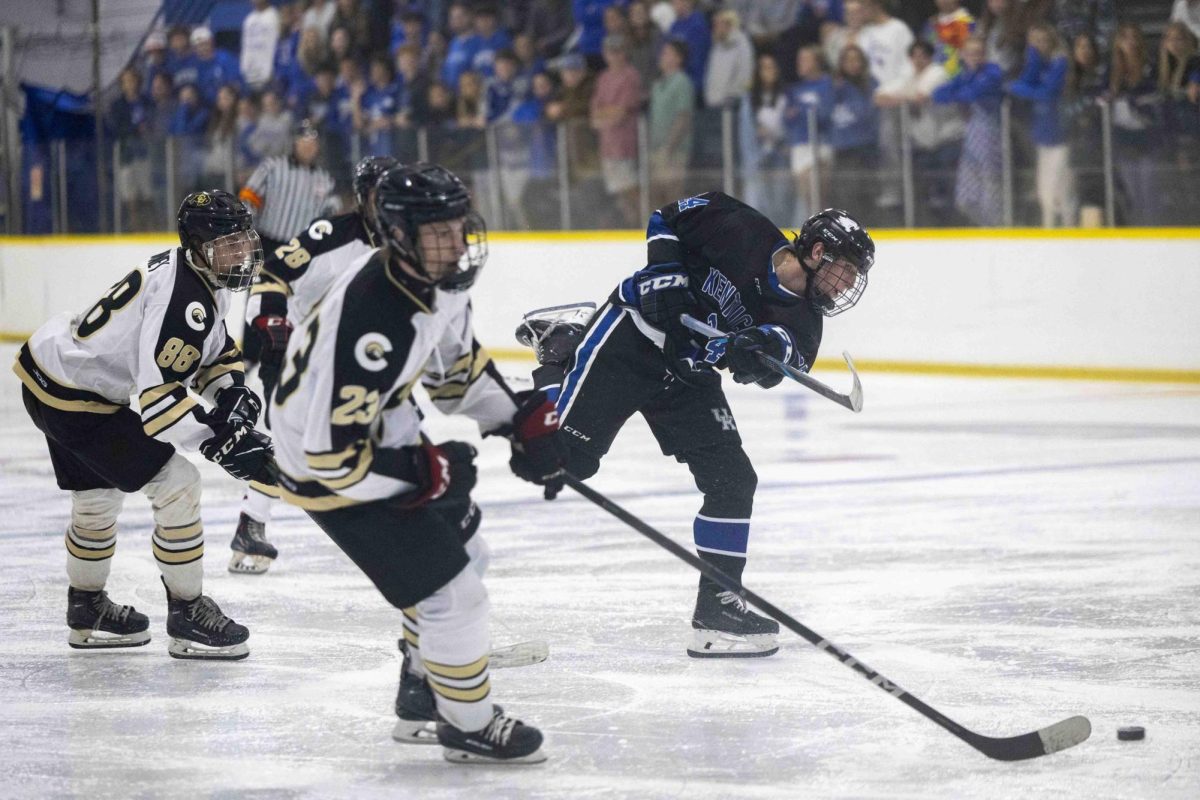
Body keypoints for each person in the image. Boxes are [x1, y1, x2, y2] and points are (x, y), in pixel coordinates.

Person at [266, 163, 560, 762]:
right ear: (398, 234)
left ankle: (425, 688)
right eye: (438, 232)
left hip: (375, 432)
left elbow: (456, 374)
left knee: (470, 554)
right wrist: (425, 471)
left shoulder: (437, 279)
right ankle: (467, 725)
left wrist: (518, 420)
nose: (456, 243)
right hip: (323, 466)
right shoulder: (372, 316)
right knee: (455, 598)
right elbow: (331, 454)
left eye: (459, 226)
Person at [517, 199, 875, 659]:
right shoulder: (744, 228)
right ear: (817, 251)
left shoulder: (805, 320)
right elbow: (667, 217)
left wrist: (754, 352)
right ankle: (559, 353)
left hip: (687, 373)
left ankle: (718, 612)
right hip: (633, 337)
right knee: (564, 462)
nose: (845, 285)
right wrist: (664, 270)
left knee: (733, 480)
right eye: (844, 270)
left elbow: (779, 358)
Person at [11, 190, 274, 660]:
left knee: (96, 499)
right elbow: (159, 402)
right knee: (179, 484)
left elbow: (211, 352)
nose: (240, 255)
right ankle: (187, 612)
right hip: (76, 397)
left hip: (52, 375)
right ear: (197, 246)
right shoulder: (184, 298)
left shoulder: (196, 273)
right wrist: (220, 441)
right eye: (227, 245)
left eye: (243, 243)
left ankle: (86, 608)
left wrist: (229, 390)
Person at [230, 156, 396, 574]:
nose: (389, 203)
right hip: (295, 347)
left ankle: (387, 521)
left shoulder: (404, 245)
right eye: (381, 195)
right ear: (363, 198)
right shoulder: (332, 234)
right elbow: (272, 273)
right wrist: (271, 321)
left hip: (345, 356)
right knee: (288, 441)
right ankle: (252, 523)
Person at [1006, 23, 1075, 227]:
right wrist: (1033, 60)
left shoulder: (1060, 62)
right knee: (1044, 188)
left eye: (1043, 41)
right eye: (1034, 42)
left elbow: (1046, 93)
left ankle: (1068, 226)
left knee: (1058, 187)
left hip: (1062, 135)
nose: (1039, 45)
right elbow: (1022, 84)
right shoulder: (1037, 63)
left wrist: (1025, 88)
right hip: (1042, 135)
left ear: (1051, 40)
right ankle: (1050, 226)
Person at [238, 119, 340, 255]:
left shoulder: (325, 179)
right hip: (267, 243)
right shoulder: (272, 167)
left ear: (318, 147)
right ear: (295, 143)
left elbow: (331, 210)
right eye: (303, 142)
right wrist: (246, 231)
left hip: (301, 250)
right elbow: (248, 198)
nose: (308, 147)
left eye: (312, 143)